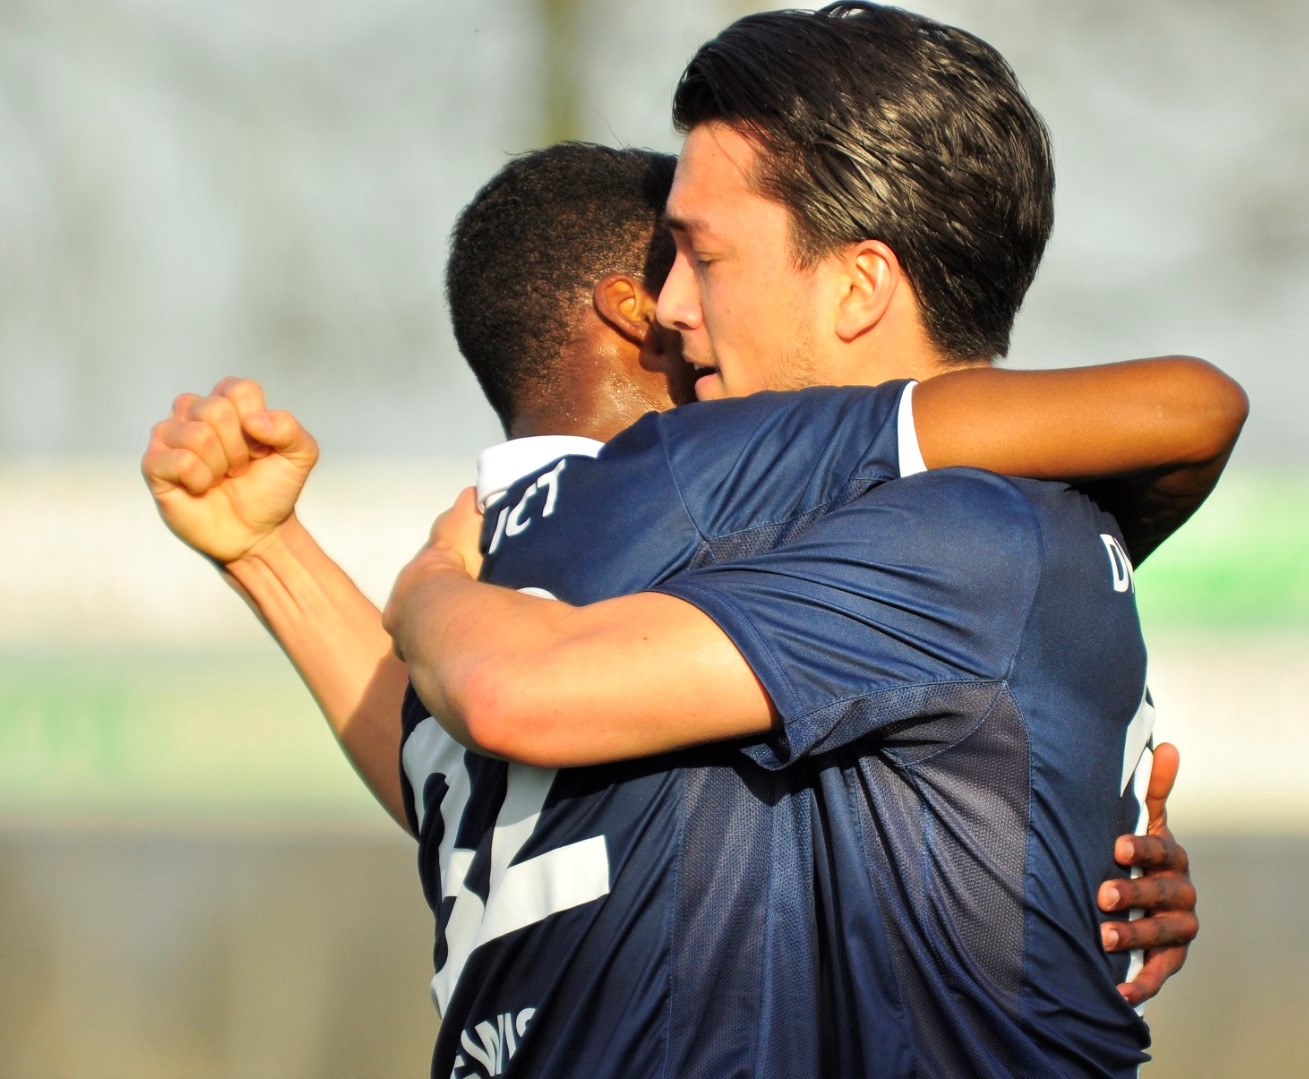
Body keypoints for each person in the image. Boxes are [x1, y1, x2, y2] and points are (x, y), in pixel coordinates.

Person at [147, 137, 1220, 1077]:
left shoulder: (501, 571)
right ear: (634, 306)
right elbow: (1180, 407)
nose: (697, 304)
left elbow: (460, 766)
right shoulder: (705, 473)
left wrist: (270, 553)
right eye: (697, 261)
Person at [383, 5, 1243, 1075]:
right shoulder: (939, 542)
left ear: (857, 285)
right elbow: (499, 784)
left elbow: (519, 693)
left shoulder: (957, 539)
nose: (665, 305)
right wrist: (266, 553)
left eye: (700, 254)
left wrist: (424, 587)